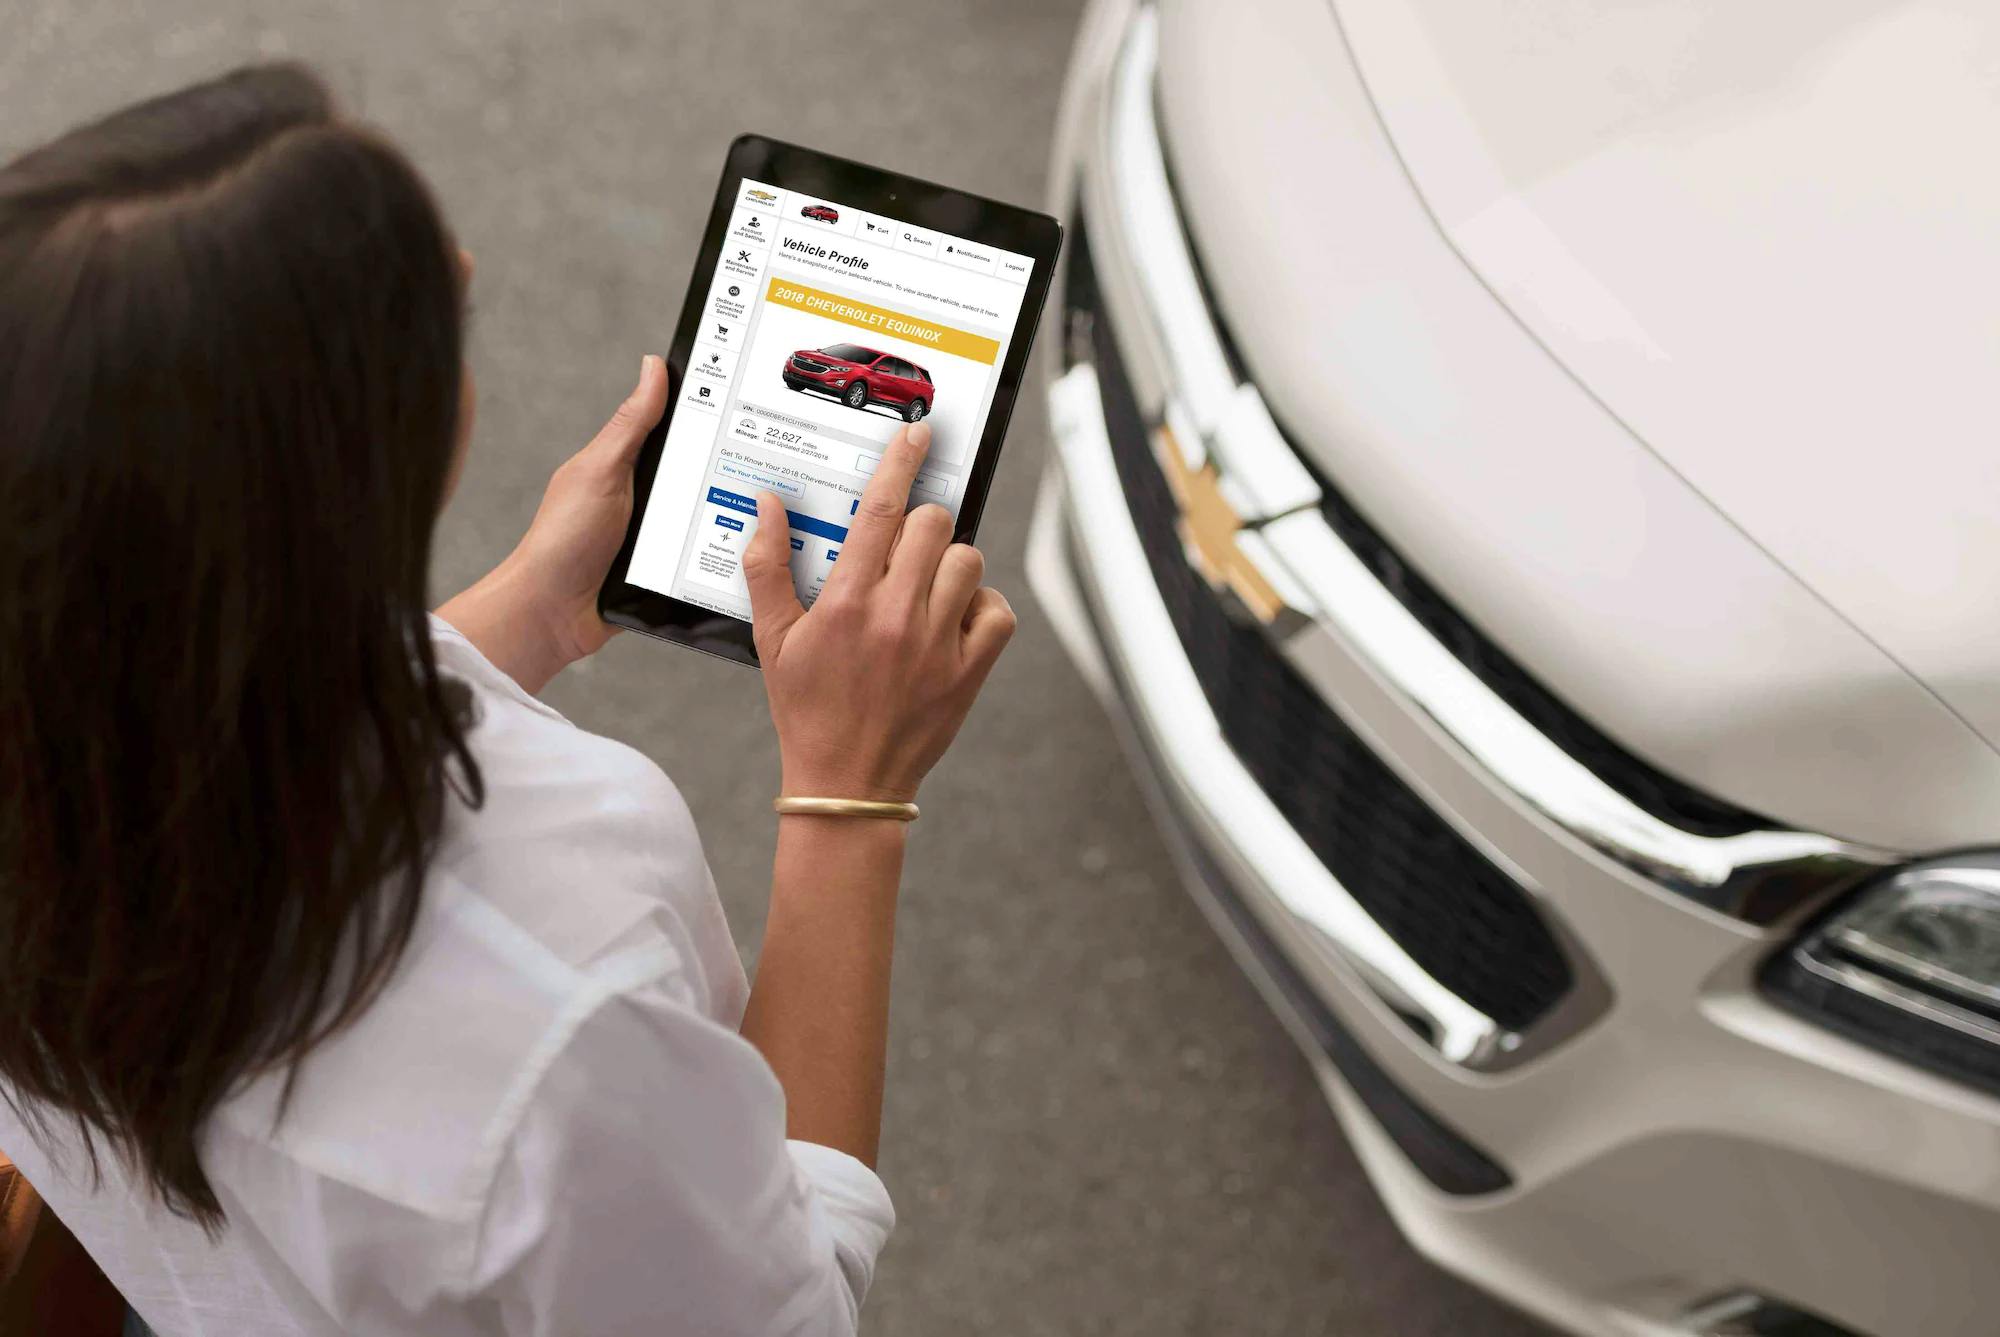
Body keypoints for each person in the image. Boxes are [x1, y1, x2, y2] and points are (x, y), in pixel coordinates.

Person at [0, 63, 1014, 1336]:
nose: (466, 276)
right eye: (445, 322)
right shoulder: (556, 991)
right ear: (365, 472)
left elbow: (181, 723)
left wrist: (526, 611)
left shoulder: (59, 723)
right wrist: (847, 792)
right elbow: (779, 1313)